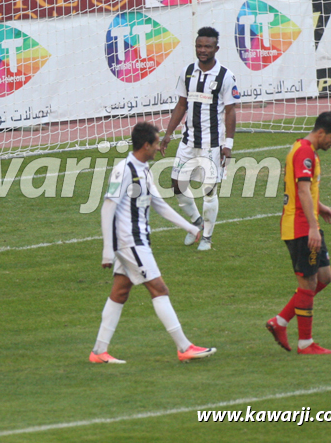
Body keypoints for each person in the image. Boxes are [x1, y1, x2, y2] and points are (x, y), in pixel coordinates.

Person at [90, 122, 216, 364]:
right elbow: (108, 207)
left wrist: (189, 226)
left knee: (120, 292)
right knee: (159, 289)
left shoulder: (144, 169)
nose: (159, 148)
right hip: (131, 242)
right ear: (145, 145)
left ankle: (98, 352)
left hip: (137, 241)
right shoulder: (123, 169)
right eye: (156, 143)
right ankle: (184, 347)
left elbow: (158, 204)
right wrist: (107, 250)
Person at [266, 111, 331, 355]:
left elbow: (302, 187)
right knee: (308, 282)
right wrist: (313, 227)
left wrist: (320, 208)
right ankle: (305, 343)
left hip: (308, 224)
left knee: (324, 278)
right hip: (301, 228)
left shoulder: (304, 149)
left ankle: (279, 321)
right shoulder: (304, 152)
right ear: (321, 132)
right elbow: (301, 191)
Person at [158, 26, 238, 251]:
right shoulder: (187, 72)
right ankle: (197, 223)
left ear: (216, 48)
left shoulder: (225, 76)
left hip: (212, 145)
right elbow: (181, 104)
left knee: (209, 190)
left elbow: (231, 111)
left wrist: (228, 145)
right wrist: (168, 133)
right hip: (188, 141)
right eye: (199, 46)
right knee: (177, 186)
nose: (202, 50)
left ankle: (207, 238)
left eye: (207, 47)